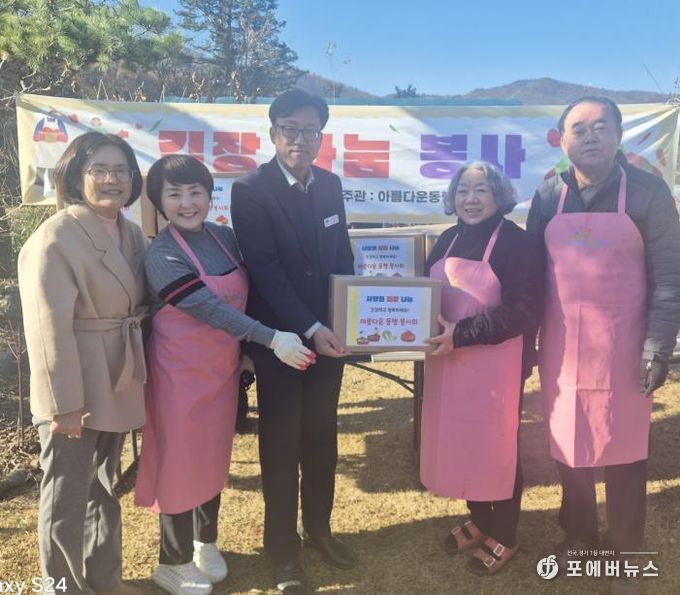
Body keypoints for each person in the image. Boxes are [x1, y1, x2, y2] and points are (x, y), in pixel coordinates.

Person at [134, 155, 314, 595]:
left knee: (213, 457)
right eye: (174, 194)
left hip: (223, 370)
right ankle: (172, 561)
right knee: (179, 462)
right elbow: (209, 308)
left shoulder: (225, 238)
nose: (187, 203)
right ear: (158, 201)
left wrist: (250, 351)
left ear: (209, 194)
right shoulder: (163, 254)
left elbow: (251, 291)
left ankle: (205, 541)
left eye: (195, 191)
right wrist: (271, 339)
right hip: (178, 374)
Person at [527, 96, 680, 594]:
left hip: (627, 348)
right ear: (562, 140)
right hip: (562, 348)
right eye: (579, 128)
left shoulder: (648, 193)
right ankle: (579, 534)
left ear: (618, 135)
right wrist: (526, 346)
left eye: (600, 126)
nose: (590, 136)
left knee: (624, 450)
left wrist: (658, 348)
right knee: (567, 444)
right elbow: (531, 277)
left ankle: (624, 551)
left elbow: (670, 277)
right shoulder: (548, 196)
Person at [230, 89, 356, 594]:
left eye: (310, 131)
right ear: (273, 133)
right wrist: (311, 328)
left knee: (322, 437)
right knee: (281, 445)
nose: (300, 139)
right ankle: (283, 550)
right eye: (290, 129)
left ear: (321, 137)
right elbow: (266, 272)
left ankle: (319, 530)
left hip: (329, 337)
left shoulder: (330, 184)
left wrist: (350, 320)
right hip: (280, 340)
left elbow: (342, 256)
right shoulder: (250, 189)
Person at [18, 132, 148, 594]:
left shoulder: (132, 233)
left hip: (117, 378)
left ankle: (104, 578)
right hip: (75, 383)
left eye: (121, 170)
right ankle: (61, 588)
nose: (113, 180)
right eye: (100, 170)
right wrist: (63, 404)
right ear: (76, 176)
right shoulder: (55, 237)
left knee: (104, 486)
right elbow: (46, 328)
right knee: (66, 494)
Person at [420, 161, 542, 575]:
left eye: (481, 190)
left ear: (499, 196)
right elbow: (422, 295)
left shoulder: (516, 243)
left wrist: (463, 333)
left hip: (496, 367)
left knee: (498, 446)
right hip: (448, 363)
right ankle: (480, 518)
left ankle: (504, 531)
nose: (470, 199)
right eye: (462, 191)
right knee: (462, 440)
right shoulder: (447, 239)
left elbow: (525, 310)